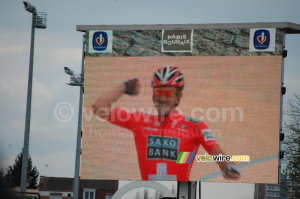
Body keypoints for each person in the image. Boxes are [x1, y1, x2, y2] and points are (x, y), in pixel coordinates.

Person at [92, 65, 240, 181]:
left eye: (168, 94)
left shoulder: (194, 126)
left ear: (179, 97)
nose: (162, 99)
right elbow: (99, 107)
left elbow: (215, 149)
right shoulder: (140, 122)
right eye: (157, 93)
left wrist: (226, 164)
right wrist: (125, 87)